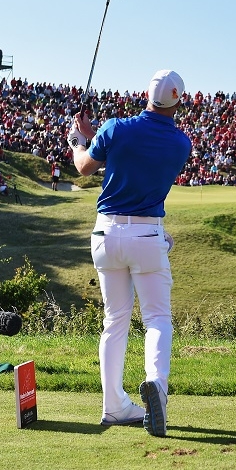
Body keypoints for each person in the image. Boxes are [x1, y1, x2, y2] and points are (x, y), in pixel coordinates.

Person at [69, 69, 192, 435]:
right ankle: (156, 385)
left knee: (115, 320)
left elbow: (84, 166)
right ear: (179, 101)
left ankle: (114, 406)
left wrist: (78, 140)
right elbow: (134, 157)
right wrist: (95, 138)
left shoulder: (115, 128)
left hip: (106, 235)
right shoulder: (180, 144)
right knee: (157, 319)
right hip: (147, 236)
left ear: (146, 94)